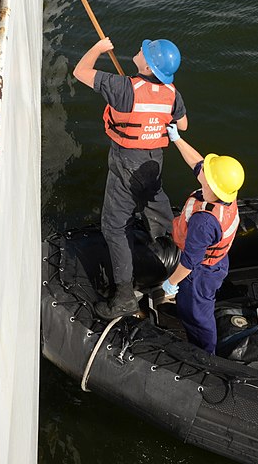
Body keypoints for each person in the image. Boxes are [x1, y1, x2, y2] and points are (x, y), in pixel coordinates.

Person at [73, 37, 188, 320]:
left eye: (143, 51)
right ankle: (171, 258)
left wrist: (99, 49)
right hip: (153, 164)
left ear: (147, 66)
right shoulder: (172, 93)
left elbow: (80, 71)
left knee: (114, 226)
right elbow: (183, 124)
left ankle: (124, 297)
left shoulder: (124, 88)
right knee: (156, 204)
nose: (139, 51)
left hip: (127, 165)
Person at [162, 125, 244, 354]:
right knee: (196, 306)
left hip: (201, 273)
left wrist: (171, 283)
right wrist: (177, 139)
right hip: (217, 263)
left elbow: (189, 261)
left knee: (197, 314)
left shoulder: (204, 222)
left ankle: (207, 353)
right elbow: (198, 164)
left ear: (213, 186)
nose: (203, 175)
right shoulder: (224, 196)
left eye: (207, 178)